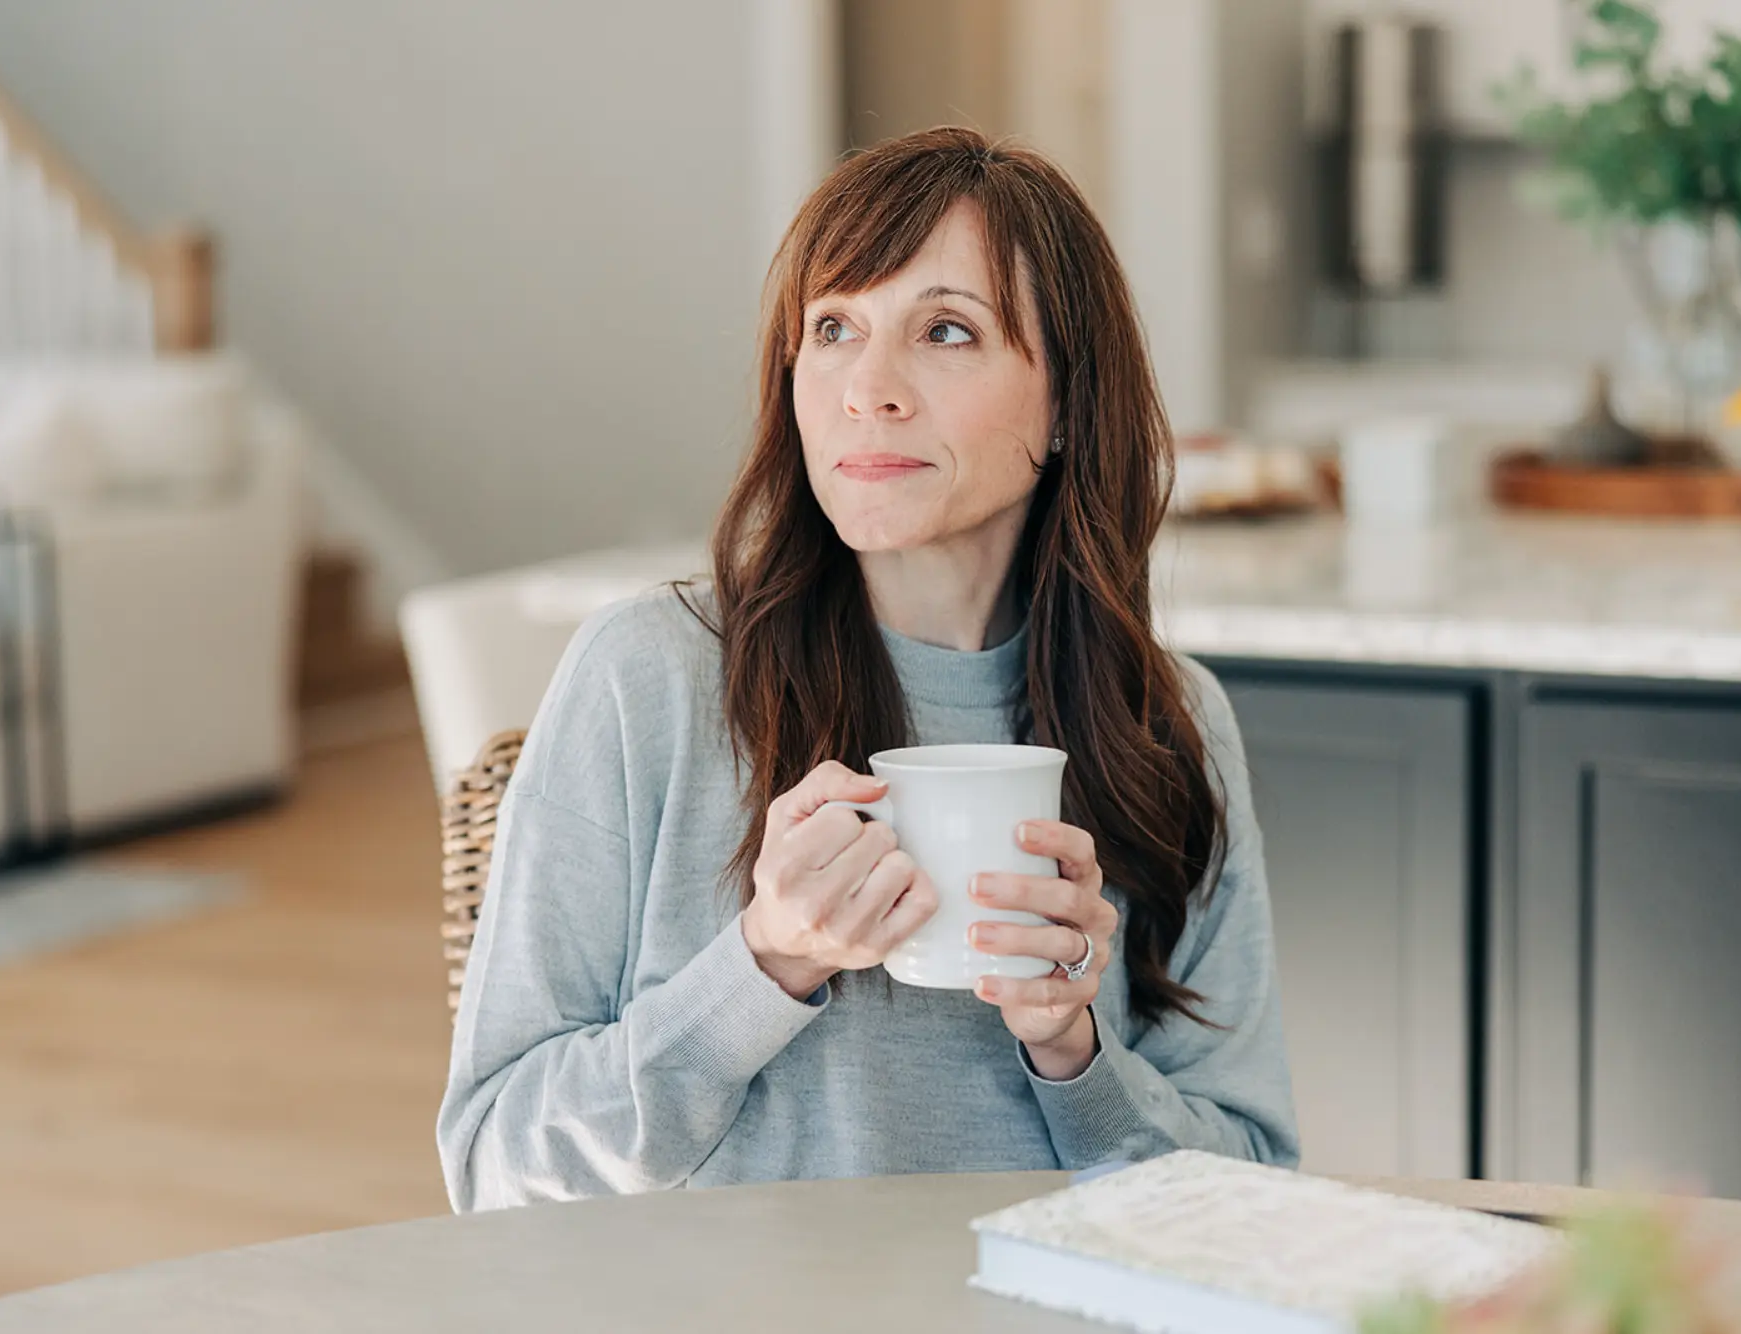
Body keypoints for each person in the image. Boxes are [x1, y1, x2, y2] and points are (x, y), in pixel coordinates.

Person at [438, 127, 1299, 1211]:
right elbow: (493, 1165)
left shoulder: (1166, 726)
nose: (868, 388)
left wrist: (1075, 1052)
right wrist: (761, 964)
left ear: (1069, 406)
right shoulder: (647, 679)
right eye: (834, 327)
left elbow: (1254, 1194)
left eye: (945, 330)